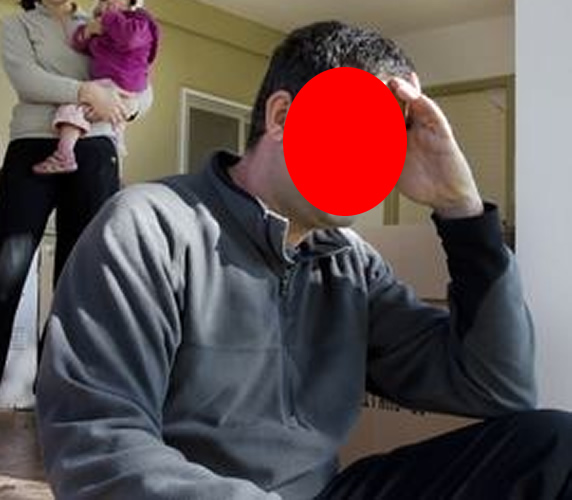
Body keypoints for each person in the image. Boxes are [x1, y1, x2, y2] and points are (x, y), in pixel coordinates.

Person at [36, 21, 572, 500]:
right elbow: (96, 446)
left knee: (555, 446)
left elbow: (499, 386)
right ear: (282, 116)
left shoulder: (351, 265)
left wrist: (462, 211)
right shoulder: (150, 228)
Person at [0, 0, 151, 434]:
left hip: (96, 150)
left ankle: (58, 396)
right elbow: (27, 79)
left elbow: (143, 81)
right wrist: (87, 92)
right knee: (3, 273)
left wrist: (126, 106)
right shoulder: (19, 25)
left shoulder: (102, 21)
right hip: (32, 146)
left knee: (79, 281)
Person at [33, 0, 158, 174]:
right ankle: (115, 143)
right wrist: (88, 31)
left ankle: (64, 154)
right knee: (100, 114)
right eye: (103, 0)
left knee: (72, 109)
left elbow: (130, 39)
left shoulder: (139, 21)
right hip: (110, 82)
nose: (108, 2)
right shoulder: (103, 25)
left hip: (123, 80)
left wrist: (109, 18)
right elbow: (80, 45)